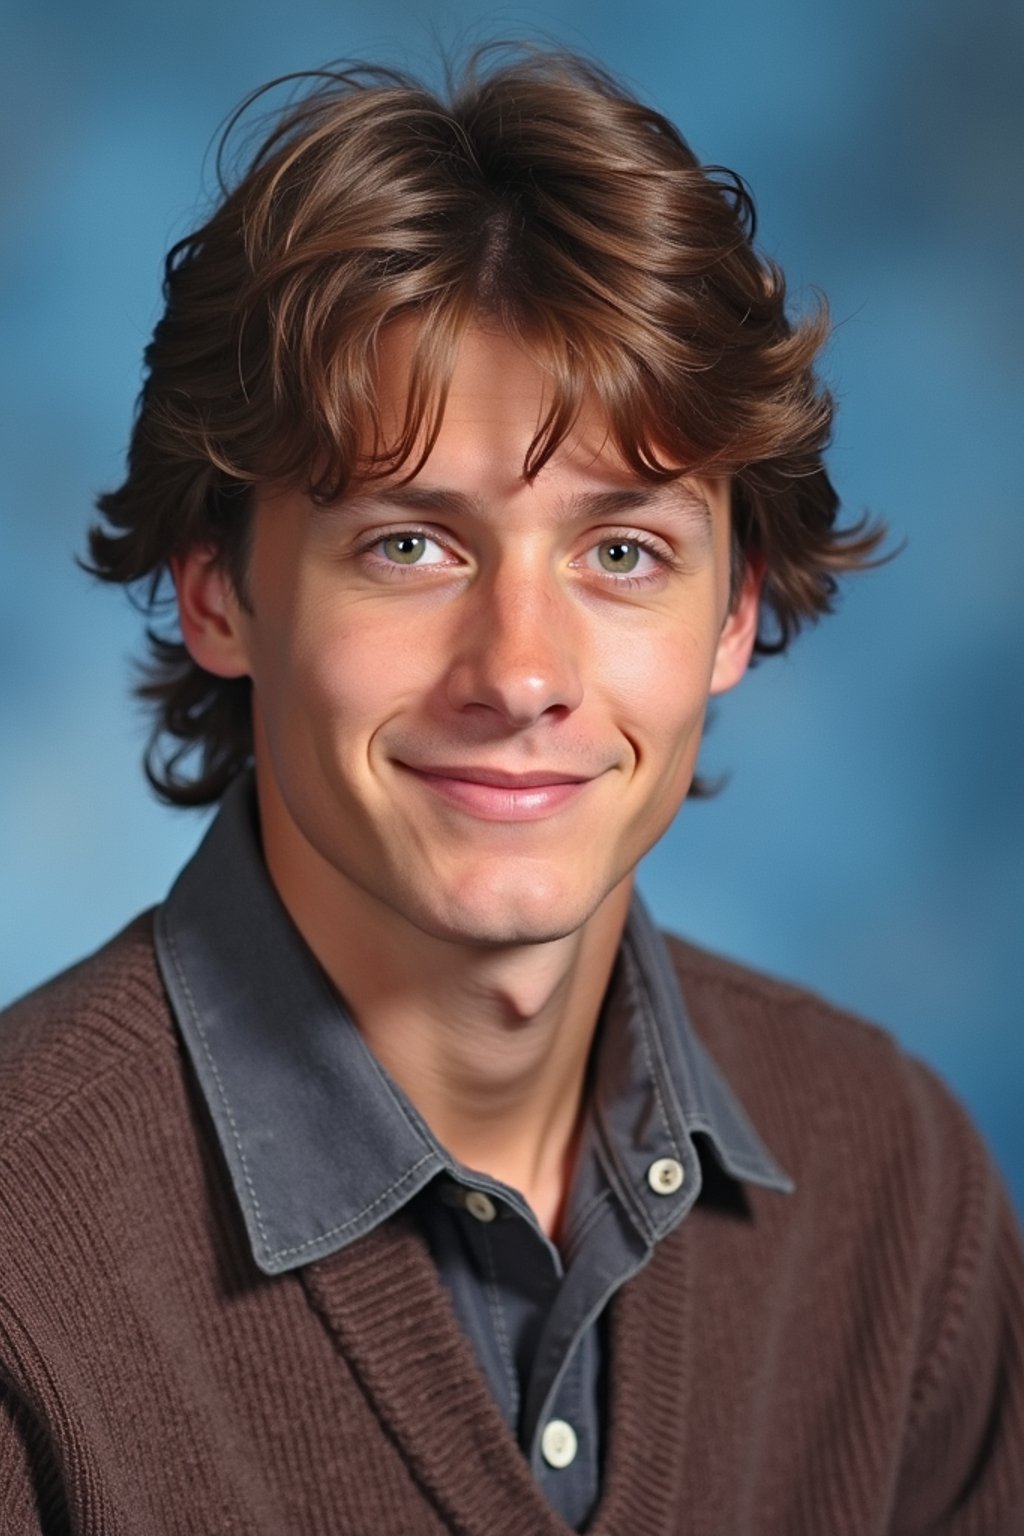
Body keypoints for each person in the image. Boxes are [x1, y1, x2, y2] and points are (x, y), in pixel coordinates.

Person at [1, 47, 1021, 1535]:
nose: (521, 672)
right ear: (216, 594)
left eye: (624, 553)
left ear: (733, 617)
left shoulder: (896, 1187)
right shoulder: (25, 1250)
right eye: (410, 544)